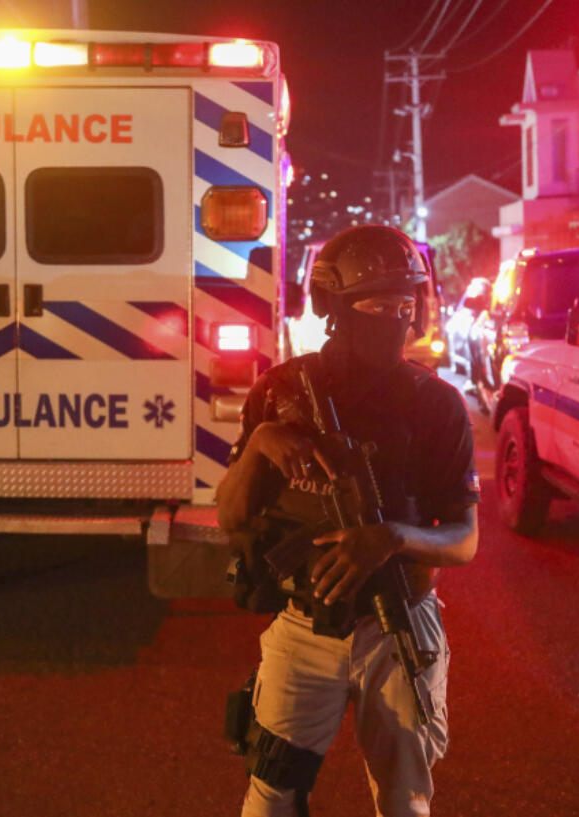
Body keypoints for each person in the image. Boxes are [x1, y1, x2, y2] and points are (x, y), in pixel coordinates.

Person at [216, 224, 480, 817]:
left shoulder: (436, 404)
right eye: (377, 304)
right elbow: (231, 517)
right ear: (334, 307)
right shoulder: (281, 392)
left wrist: (389, 540)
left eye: (405, 305)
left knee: (404, 802)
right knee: (270, 798)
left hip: (401, 624)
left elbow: (464, 542)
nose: (396, 319)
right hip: (305, 628)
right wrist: (261, 441)